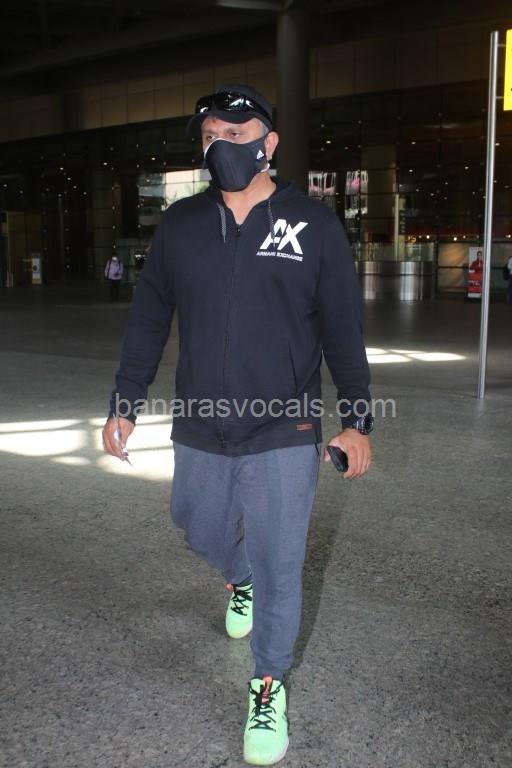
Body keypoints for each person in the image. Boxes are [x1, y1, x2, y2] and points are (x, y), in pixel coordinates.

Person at [102, 84, 373, 766]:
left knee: (282, 560)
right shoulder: (181, 226)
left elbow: (343, 328)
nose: (223, 143)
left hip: (286, 425)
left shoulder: (312, 225)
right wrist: (126, 400)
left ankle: (268, 685)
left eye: (238, 130)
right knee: (198, 522)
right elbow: (148, 319)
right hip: (202, 419)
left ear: (269, 142)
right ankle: (238, 574)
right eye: (211, 134)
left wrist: (357, 418)